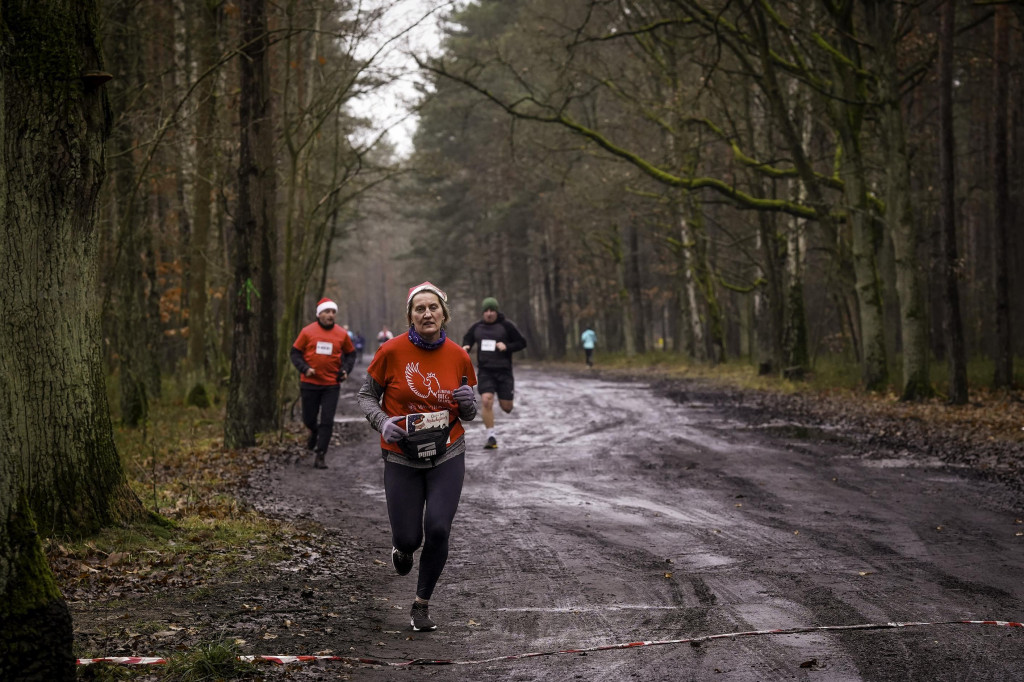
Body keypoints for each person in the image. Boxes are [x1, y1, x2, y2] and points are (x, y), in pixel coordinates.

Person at [357, 281, 477, 632]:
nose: (427, 313)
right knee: (410, 538)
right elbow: (366, 397)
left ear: (444, 313)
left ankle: (421, 604)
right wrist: (382, 422)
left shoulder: (459, 355)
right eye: (419, 309)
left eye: (433, 307)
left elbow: (466, 408)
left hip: (447, 452)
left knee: (438, 528)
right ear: (410, 316)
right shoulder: (390, 352)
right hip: (401, 456)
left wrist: (468, 405)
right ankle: (403, 549)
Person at [290, 298, 357, 469]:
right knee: (308, 419)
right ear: (319, 314)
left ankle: (321, 455)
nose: (330, 315)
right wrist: (305, 369)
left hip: (331, 384)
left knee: (327, 420)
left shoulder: (341, 334)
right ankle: (314, 431)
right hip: (309, 382)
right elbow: (295, 353)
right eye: (327, 312)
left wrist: (345, 370)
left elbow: (351, 354)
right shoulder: (307, 332)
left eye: (333, 312)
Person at [461, 297, 526, 450]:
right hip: (485, 371)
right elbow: (467, 339)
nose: (489, 314)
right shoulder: (477, 327)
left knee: (507, 407)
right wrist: (466, 347)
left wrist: (507, 346)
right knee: (486, 400)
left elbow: (522, 343)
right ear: (483, 312)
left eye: (492, 311)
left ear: (497, 312)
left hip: (504, 372)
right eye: (486, 311)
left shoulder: (506, 326)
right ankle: (491, 436)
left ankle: (504, 400)